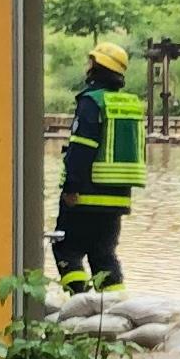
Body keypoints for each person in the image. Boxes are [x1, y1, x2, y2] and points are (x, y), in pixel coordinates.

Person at [54, 37, 146, 292]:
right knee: (103, 256)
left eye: (90, 62)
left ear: (97, 67)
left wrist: (71, 186)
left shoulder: (91, 102)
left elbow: (82, 148)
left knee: (66, 249)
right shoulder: (129, 104)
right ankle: (112, 311)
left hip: (85, 196)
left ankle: (79, 303)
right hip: (117, 200)